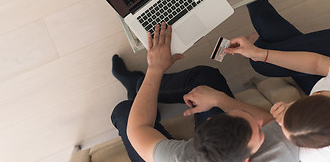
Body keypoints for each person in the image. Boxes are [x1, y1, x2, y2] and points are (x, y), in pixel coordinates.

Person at [215, 0, 330, 161]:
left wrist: (283, 120)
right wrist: (260, 53)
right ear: (319, 92)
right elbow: (315, 63)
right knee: (262, 55)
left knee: (262, 56)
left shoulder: (321, 153)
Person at [111, 22, 299, 162]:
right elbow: (272, 123)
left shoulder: (180, 158)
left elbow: (137, 130)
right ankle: (138, 85)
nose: (261, 121)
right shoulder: (285, 145)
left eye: (259, 131)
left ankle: (138, 88)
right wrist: (220, 99)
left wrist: (155, 68)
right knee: (206, 76)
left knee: (124, 111)